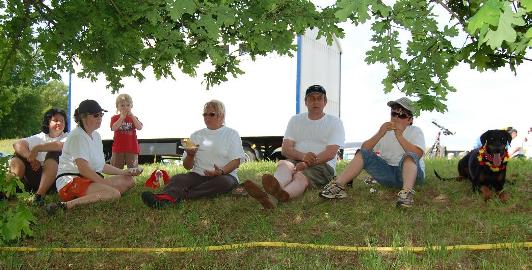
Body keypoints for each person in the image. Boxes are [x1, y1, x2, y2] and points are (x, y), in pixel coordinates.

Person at [242, 85, 345, 209]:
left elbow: (330, 153)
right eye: (312, 98)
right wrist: (303, 157)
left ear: (325, 102)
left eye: (319, 98)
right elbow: (285, 149)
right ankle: (274, 193)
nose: (316, 102)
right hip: (297, 159)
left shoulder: (335, 122)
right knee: (284, 166)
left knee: (300, 176)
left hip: (323, 165)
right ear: (306, 102)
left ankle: (280, 195)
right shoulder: (295, 120)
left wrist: (306, 164)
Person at [320, 97, 426, 208]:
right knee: (362, 153)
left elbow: (417, 154)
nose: (396, 118)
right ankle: (338, 185)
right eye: (393, 114)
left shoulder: (415, 131)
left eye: (402, 115)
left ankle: (407, 193)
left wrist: (399, 136)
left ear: (410, 120)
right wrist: (380, 133)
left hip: (412, 175)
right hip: (388, 174)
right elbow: (365, 149)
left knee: (409, 156)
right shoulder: (385, 132)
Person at [141, 100, 245, 208]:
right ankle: (164, 198)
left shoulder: (231, 134)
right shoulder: (196, 135)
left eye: (211, 114)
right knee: (178, 179)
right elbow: (187, 167)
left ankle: (183, 195)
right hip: (198, 175)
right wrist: (190, 155)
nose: (207, 117)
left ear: (221, 116)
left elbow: (236, 161)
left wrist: (221, 171)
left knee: (225, 183)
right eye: (205, 114)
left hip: (224, 175)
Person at [46, 100, 139, 213]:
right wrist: (103, 183)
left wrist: (124, 172)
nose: (100, 118)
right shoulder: (77, 136)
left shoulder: (96, 136)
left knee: (129, 180)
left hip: (87, 179)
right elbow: (83, 169)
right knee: (113, 193)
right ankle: (65, 205)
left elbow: (101, 165)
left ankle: (93, 196)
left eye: (101, 114)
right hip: (70, 182)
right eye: (96, 115)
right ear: (84, 117)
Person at [9, 108, 69, 206]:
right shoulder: (40, 137)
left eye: (62, 121)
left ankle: (39, 196)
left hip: (55, 179)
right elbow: (17, 144)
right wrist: (30, 157)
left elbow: (60, 145)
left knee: (53, 153)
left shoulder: (68, 137)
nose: (59, 123)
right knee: (17, 158)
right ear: (48, 122)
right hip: (34, 175)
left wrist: (38, 148)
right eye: (56, 120)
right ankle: (7, 190)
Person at [110, 93, 143, 169]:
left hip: (132, 148)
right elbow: (113, 128)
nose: (125, 107)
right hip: (118, 149)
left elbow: (139, 127)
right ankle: (117, 181)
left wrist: (132, 116)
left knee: (133, 169)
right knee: (116, 169)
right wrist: (121, 118)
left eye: (128, 105)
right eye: (122, 105)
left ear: (131, 106)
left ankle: (130, 180)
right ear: (117, 107)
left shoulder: (134, 118)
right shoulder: (115, 118)